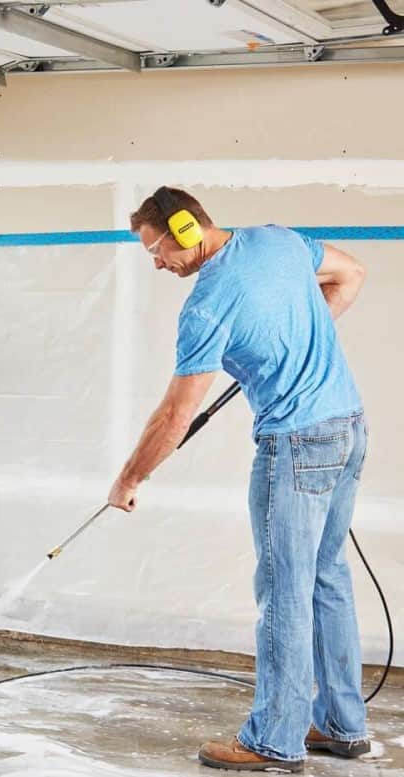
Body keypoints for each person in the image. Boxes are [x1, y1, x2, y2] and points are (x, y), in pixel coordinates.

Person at [107, 187, 370, 773]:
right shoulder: (277, 241)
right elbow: (352, 273)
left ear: (184, 228)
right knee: (325, 576)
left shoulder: (207, 303)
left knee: (285, 591)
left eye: (156, 250)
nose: (156, 263)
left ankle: (274, 741)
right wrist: (290, 340)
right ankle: (343, 727)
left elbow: (174, 415)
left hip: (297, 443)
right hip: (349, 425)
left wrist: (129, 477)